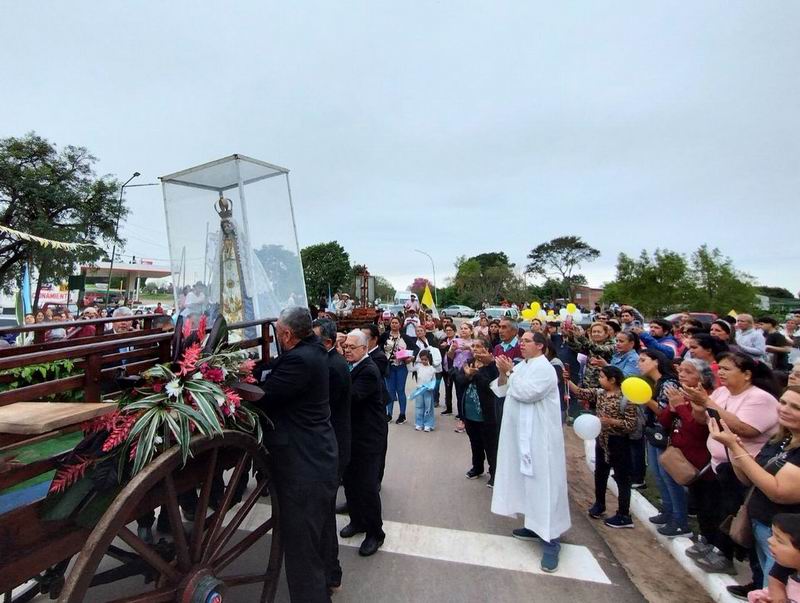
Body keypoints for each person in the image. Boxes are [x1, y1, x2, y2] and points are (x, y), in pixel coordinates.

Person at [257, 307, 339, 603]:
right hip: (316, 456)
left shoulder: (301, 359)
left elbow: (266, 397)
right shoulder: (311, 351)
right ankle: (329, 580)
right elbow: (275, 371)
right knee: (315, 537)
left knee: (302, 549)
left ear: (287, 334)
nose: (277, 336)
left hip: (303, 464)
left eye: (278, 331)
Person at [681, 352, 780, 576]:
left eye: (727, 369)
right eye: (721, 368)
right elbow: (704, 420)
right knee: (715, 509)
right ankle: (715, 546)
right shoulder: (723, 391)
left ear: (746, 374)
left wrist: (706, 401)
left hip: (742, 470)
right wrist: (698, 403)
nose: (721, 373)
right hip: (719, 465)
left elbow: (746, 429)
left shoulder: (759, 398)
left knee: (734, 514)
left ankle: (730, 557)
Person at [490, 332, 571, 573]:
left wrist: (511, 372)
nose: (521, 345)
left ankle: (551, 539)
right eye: (521, 341)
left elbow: (527, 393)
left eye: (525, 341)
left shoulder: (545, 369)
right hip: (519, 435)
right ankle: (533, 524)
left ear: (540, 346)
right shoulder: (522, 366)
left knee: (544, 484)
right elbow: (502, 390)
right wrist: (505, 372)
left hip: (539, 438)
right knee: (526, 481)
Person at [707, 386, 800, 586]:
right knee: (760, 581)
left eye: (795, 407)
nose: (784, 409)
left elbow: (778, 492)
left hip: (787, 537)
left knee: (773, 587)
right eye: (783, 402)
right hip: (761, 524)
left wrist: (734, 447)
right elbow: (748, 478)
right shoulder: (780, 439)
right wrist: (734, 447)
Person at [570, 366, 638, 529]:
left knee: (622, 478)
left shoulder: (626, 398)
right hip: (602, 439)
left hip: (618, 441)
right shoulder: (600, 393)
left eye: (602, 377)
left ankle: (623, 514)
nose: (599, 380)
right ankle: (599, 504)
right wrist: (568, 381)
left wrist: (612, 422)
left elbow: (631, 424)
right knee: (600, 473)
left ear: (612, 380)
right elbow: (581, 393)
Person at [311, 317, 351, 594]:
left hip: (332, 447)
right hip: (332, 444)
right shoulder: (329, 361)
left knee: (323, 515)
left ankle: (330, 573)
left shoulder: (331, 367)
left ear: (327, 342)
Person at [340, 330, 388, 557]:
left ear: (364, 349)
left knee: (367, 486)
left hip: (368, 437)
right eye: (345, 346)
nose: (347, 350)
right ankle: (357, 521)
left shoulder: (368, 370)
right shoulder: (351, 366)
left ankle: (375, 533)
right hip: (352, 435)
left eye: (351, 347)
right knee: (350, 481)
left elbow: (352, 397)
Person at [659, 359, 715, 537]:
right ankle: (674, 516)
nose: (681, 374)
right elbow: (664, 421)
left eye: (688, 371)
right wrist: (673, 407)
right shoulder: (680, 394)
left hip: (698, 460)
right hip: (676, 452)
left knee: (704, 504)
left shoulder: (708, 398)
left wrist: (681, 406)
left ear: (703, 378)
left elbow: (697, 429)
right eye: (680, 370)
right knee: (672, 486)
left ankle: (686, 526)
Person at [637, 349, 683, 530]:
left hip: (665, 435)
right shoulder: (656, 382)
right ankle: (667, 510)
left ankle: (679, 520)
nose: (638, 364)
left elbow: (664, 412)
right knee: (658, 475)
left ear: (656, 362)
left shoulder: (668, 384)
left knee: (669, 477)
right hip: (654, 434)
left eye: (643, 360)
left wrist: (646, 399)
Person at [460, 338, 500, 485]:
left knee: (490, 445)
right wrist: (467, 375)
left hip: (486, 414)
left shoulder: (492, 366)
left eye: (479, 346)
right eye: (473, 346)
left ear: (487, 349)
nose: (475, 349)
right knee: (475, 443)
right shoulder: (469, 362)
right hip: (470, 412)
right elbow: (459, 380)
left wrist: (475, 374)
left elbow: (489, 386)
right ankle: (477, 468)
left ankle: (494, 473)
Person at [747, 513, 800, 603]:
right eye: (772, 534)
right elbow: (766, 592)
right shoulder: (786, 573)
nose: (769, 540)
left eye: (780, 540)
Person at [379, 317, 415, 424]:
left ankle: (402, 414)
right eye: (392, 323)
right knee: (390, 391)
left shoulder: (405, 337)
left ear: (400, 325)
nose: (394, 325)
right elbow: (378, 347)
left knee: (400, 390)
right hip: (389, 367)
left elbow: (415, 349)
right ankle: (388, 414)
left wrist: (409, 357)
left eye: (396, 323)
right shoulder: (385, 336)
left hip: (401, 367)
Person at [564, 321, 615, 390]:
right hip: (588, 383)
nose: (596, 334)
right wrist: (571, 337)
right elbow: (578, 348)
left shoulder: (611, 345)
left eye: (599, 332)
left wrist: (581, 337)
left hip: (603, 386)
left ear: (606, 334)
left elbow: (597, 349)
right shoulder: (589, 345)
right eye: (594, 332)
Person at [448, 322, 476, 433]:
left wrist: (470, 348)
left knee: (468, 395)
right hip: (457, 371)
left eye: (466, 328)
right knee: (459, 396)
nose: (463, 330)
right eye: (462, 328)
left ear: (471, 331)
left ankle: (469, 418)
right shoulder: (455, 341)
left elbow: (477, 356)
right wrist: (452, 349)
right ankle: (461, 419)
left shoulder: (474, 342)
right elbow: (450, 356)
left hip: (469, 372)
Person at [410, 349, 437, 431]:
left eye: (425, 359)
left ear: (429, 359)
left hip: (428, 391)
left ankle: (428, 424)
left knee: (428, 407)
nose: (423, 361)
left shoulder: (432, 369)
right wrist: (408, 362)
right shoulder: (418, 367)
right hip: (419, 390)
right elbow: (410, 369)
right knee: (419, 407)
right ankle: (419, 423)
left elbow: (433, 380)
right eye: (422, 359)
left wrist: (432, 387)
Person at [439, 324, 458, 415]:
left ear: (454, 331)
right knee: (447, 388)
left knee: (458, 390)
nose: (448, 332)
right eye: (447, 330)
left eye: (450, 330)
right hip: (445, 368)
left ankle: (460, 412)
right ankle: (448, 408)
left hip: (455, 368)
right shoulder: (443, 340)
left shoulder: (457, 341)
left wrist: (447, 346)